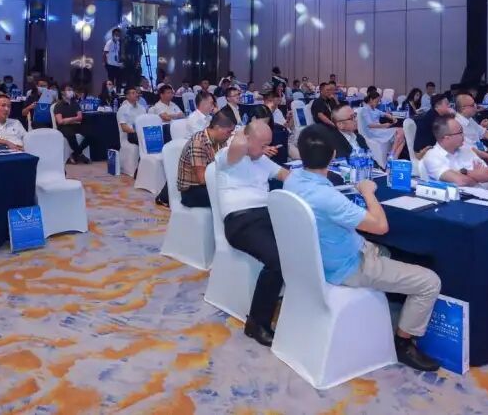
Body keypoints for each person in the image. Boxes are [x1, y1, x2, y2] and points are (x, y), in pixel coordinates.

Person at [284, 126, 441, 372]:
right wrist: (368, 193)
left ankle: (390, 310)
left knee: (399, 254)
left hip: (317, 259)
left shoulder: (292, 181)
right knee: (430, 281)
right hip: (347, 266)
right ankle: (404, 344)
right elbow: (380, 226)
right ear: (333, 154)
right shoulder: (328, 197)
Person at [216, 121, 290, 346]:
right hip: (241, 221)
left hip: (268, 215)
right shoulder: (228, 157)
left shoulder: (261, 159)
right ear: (247, 139)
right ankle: (257, 323)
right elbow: (239, 144)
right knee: (278, 260)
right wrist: (246, 134)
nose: (268, 148)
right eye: (263, 144)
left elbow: (286, 175)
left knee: (305, 240)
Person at [176, 111, 235, 208]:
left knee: (236, 190)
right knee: (230, 196)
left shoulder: (220, 140)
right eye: (229, 131)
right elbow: (203, 179)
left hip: (209, 184)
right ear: (217, 127)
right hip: (192, 191)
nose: (230, 135)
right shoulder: (198, 142)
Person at [421, 115, 488, 185]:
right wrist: (476, 176)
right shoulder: (432, 156)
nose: (464, 135)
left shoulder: (466, 149)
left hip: (482, 192)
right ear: (447, 138)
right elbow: (462, 181)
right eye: (460, 132)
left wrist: (464, 172)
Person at [358, 91, 406, 159]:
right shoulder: (365, 109)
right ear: (371, 99)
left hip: (379, 129)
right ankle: (391, 154)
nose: (378, 103)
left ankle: (393, 157)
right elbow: (370, 125)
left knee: (402, 139)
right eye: (376, 101)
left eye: (378, 101)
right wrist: (383, 125)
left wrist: (393, 118)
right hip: (373, 132)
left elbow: (384, 114)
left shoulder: (374, 109)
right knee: (401, 131)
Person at [53, 84, 90, 164]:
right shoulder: (58, 105)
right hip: (63, 127)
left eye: (71, 90)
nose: (71, 92)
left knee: (91, 134)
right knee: (70, 134)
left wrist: (67, 120)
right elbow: (60, 121)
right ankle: (80, 154)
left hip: (76, 126)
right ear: (63, 92)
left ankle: (75, 154)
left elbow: (80, 117)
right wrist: (74, 119)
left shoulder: (75, 103)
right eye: (69, 90)